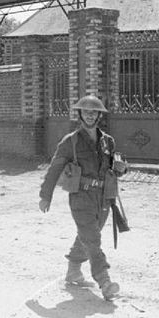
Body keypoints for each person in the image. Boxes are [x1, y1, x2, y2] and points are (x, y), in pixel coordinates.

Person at [38, 95, 127, 301]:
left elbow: (114, 167)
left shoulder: (108, 141)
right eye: (86, 111)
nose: (90, 115)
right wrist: (46, 195)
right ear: (80, 114)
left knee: (88, 234)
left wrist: (122, 168)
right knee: (93, 238)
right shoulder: (71, 142)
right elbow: (54, 169)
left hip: (104, 197)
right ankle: (104, 280)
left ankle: (73, 270)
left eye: (93, 112)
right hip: (80, 196)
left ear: (99, 115)